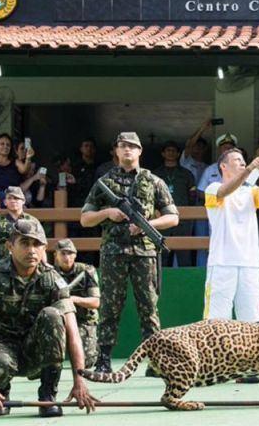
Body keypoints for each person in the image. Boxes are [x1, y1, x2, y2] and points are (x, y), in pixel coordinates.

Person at [0, 220, 97, 417]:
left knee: (52, 315)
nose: (32, 250)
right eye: (25, 243)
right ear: (10, 246)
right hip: (3, 349)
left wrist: (80, 380)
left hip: (36, 351)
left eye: (37, 244)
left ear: (45, 248)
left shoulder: (53, 279)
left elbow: (72, 331)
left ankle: (47, 396)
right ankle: (1, 394)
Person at [80, 132, 179, 375]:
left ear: (140, 151)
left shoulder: (153, 181)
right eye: (123, 146)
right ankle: (104, 358)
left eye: (132, 147)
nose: (127, 150)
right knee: (110, 307)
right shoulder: (104, 181)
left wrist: (148, 224)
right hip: (114, 252)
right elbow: (85, 219)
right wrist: (107, 213)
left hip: (144, 253)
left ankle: (155, 359)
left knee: (149, 306)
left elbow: (173, 216)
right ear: (116, 150)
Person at [203, 147, 259, 322]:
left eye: (244, 160)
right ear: (223, 166)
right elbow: (225, 192)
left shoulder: (250, 192)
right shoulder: (213, 188)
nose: (242, 163)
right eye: (237, 160)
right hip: (222, 263)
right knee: (217, 320)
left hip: (249, 263)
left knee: (250, 319)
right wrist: (250, 169)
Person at [53, 238, 100, 369]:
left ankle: (95, 348)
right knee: (48, 364)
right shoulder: (50, 274)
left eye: (70, 253)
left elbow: (96, 302)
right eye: (63, 253)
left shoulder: (86, 271)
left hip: (83, 320)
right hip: (59, 322)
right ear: (55, 255)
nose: (67, 257)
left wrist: (73, 299)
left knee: (87, 362)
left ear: (75, 254)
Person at [196, 133, 238, 267]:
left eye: (230, 148)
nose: (226, 151)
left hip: (235, 212)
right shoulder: (210, 170)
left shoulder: (240, 169)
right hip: (216, 213)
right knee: (214, 245)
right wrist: (216, 196)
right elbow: (200, 192)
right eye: (224, 148)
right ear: (220, 150)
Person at [153, 140, 197, 267]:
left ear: (178, 154)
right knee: (162, 254)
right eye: (168, 150)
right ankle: (161, 283)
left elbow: (193, 196)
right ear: (163, 153)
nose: (171, 153)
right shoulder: (155, 173)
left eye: (174, 151)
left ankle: (186, 284)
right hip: (162, 217)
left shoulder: (186, 173)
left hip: (182, 219)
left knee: (184, 254)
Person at [0, 134, 34, 207]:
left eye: (8, 145)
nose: (5, 146)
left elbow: (24, 170)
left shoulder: (15, 161)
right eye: (2, 144)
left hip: (14, 195)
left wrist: (28, 158)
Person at [0, 186, 42, 261]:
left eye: (16, 198)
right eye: (9, 198)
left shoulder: (32, 221)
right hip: (3, 264)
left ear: (23, 201)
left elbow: (41, 243)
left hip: (25, 262)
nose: (13, 201)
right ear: (5, 202)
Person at [182, 120, 213, 184]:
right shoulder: (186, 161)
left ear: (205, 149)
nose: (198, 148)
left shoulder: (207, 167)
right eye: (196, 146)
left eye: (201, 146)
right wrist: (203, 128)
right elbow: (189, 144)